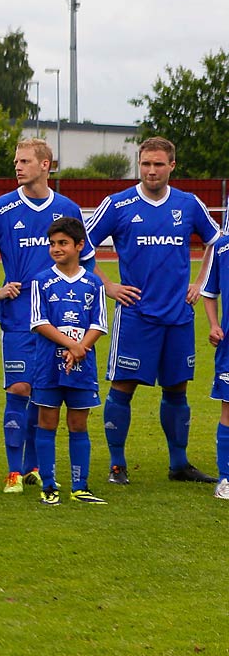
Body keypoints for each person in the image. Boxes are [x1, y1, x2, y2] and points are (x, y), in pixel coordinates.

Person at [82, 136, 219, 485]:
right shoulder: (117, 204)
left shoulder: (189, 205)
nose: (152, 170)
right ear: (138, 164)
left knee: (177, 389)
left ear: (172, 166)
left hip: (178, 316)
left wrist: (201, 283)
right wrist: (108, 286)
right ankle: (117, 465)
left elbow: (218, 244)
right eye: (146, 164)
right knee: (123, 387)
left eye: (159, 164)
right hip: (136, 316)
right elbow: (81, 246)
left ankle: (179, 464)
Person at [0, 138, 91, 494]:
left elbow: (87, 258)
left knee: (42, 392)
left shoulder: (67, 209)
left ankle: (35, 466)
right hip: (18, 317)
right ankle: (13, 471)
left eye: (25, 161)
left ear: (45, 164)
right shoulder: (1, 208)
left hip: (59, 321)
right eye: (16, 161)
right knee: (18, 388)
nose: (17, 167)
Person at [27, 217, 109, 505]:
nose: (56, 248)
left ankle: (80, 485)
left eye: (63, 243)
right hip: (48, 365)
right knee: (47, 422)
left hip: (82, 366)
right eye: (52, 244)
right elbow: (38, 322)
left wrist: (80, 348)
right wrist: (72, 345)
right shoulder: (41, 280)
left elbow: (99, 323)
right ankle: (49, 485)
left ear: (79, 245)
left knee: (78, 424)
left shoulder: (94, 282)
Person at [194, 222, 229, 501]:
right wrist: (214, 325)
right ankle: (225, 478)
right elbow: (209, 292)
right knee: (228, 410)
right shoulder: (222, 247)